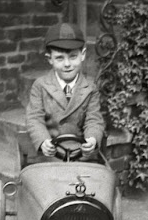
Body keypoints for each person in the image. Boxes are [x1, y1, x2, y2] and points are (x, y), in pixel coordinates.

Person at [26, 22, 105, 161]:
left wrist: (92, 139)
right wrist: (43, 141)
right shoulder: (40, 86)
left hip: (80, 154)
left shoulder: (90, 88)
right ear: (49, 59)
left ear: (83, 55)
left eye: (73, 56)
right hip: (50, 154)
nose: (67, 64)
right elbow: (34, 119)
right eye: (59, 58)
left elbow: (94, 119)